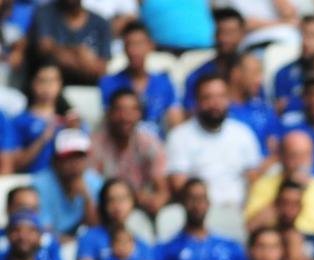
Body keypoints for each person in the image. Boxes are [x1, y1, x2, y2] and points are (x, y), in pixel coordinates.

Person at [166, 74, 264, 208]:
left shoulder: (243, 133)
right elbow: (179, 184)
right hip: (199, 213)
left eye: (220, 96)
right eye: (208, 97)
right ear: (197, 102)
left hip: (239, 211)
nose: (215, 103)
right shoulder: (180, 137)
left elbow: (254, 179)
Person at [244, 130, 314, 243]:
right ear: (282, 156)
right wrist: (284, 194)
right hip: (277, 247)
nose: (300, 162)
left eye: (305, 155)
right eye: (294, 155)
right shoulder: (264, 185)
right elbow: (250, 228)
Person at [155, 179, 248, 260]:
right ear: (183, 202)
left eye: (202, 199)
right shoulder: (169, 249)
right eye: (192, 198)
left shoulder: (231, 247)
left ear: (209, 203)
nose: (197, 204)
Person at [89, 88, 170, 217]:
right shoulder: (94, 145)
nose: (125, 117)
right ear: (109, 113)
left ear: (140, 114)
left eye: (132, 110)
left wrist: (155, 202)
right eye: (119, 110)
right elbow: (91, 191)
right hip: (105, 211)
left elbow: (162, 190)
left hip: (140, 211)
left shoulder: (149, 143)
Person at [99, 22, 181, 135]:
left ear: (150, 46)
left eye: (139, 44)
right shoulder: (109, 83)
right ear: (124, 48)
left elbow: (175, 122)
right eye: (129, 44)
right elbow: (110, 123)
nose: (134, 51)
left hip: (157, 147)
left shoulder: (164, 82)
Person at [77, 177, 155, 260]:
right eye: (111, 200)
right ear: (103, 205)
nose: (117, 205)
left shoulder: (142, 242)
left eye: (123, 199)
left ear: (133, 201)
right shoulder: (89, 237)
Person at [32, 128, 102, 237]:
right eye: (69, 157)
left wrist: (87, 199)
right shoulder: (39, 185)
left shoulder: (94, 182)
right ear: (56, 160)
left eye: (79, 157)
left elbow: (96, 228)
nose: (75, 163)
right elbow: (43, 230)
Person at [12, 62, 75, 175]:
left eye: (52, 81)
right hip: (32, 180)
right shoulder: (20, 121)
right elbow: (16, 163)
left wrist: (74, 132)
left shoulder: (71, 120)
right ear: (32, 83)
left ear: (60, 84)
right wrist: (44, 137)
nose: (48, 87)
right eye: (42, 81)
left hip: (64, 182)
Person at [181, 8, 249, 111]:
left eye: (231, 32)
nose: (225, 39)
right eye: (220, 32)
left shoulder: (252, 72)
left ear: (242, 34)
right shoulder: (198, 75)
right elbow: (190, 112)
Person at [31, 0, 111, 85]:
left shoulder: (100, 23)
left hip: (89, 87)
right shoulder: (45, 13)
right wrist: (78, 53)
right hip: (52, 85)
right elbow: (44, 48)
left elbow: (101, 69)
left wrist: (62, 53)